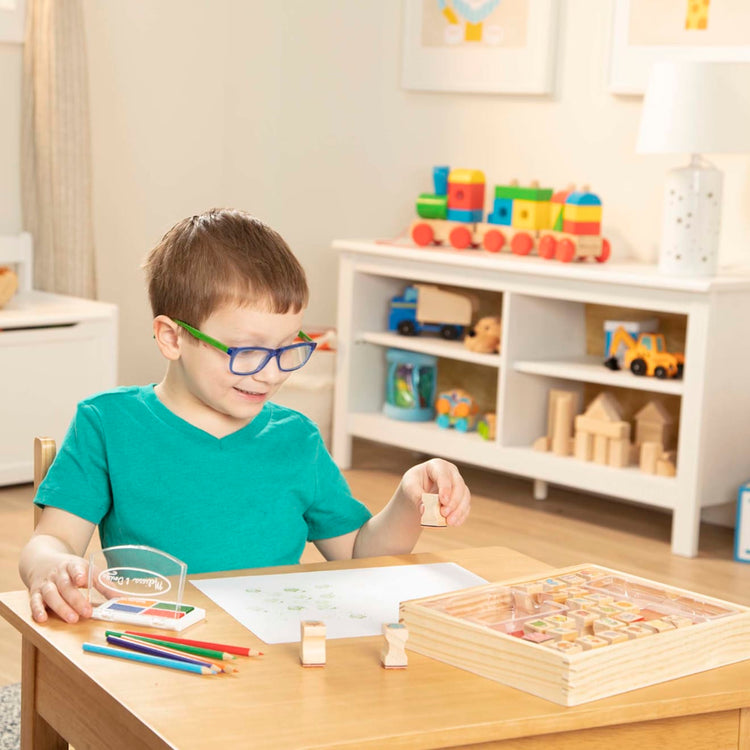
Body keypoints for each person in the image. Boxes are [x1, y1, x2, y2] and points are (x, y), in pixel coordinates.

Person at [19, 208, 471, 624]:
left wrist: (410, 500)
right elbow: (52, 540)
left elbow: (360, 552)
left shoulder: (297, 439)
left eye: (286, 348)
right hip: (158, 643)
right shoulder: (108, 424)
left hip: (273, 650)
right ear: (172, 338)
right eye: (250, 351)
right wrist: (50, 566)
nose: (271, 372)